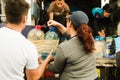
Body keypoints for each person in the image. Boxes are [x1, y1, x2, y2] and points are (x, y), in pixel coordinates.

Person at [0, 0, 53, 80]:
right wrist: (46, 60)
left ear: (6, 17)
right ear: (25, 19)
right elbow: (33, 78)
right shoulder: (28, 47)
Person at [46, 11, 99, 80]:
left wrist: (44, 63)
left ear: (70, 24)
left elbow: (55, 69)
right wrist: (57, 24)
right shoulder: (90, 39)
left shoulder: (64, 47)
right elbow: (70, 35)